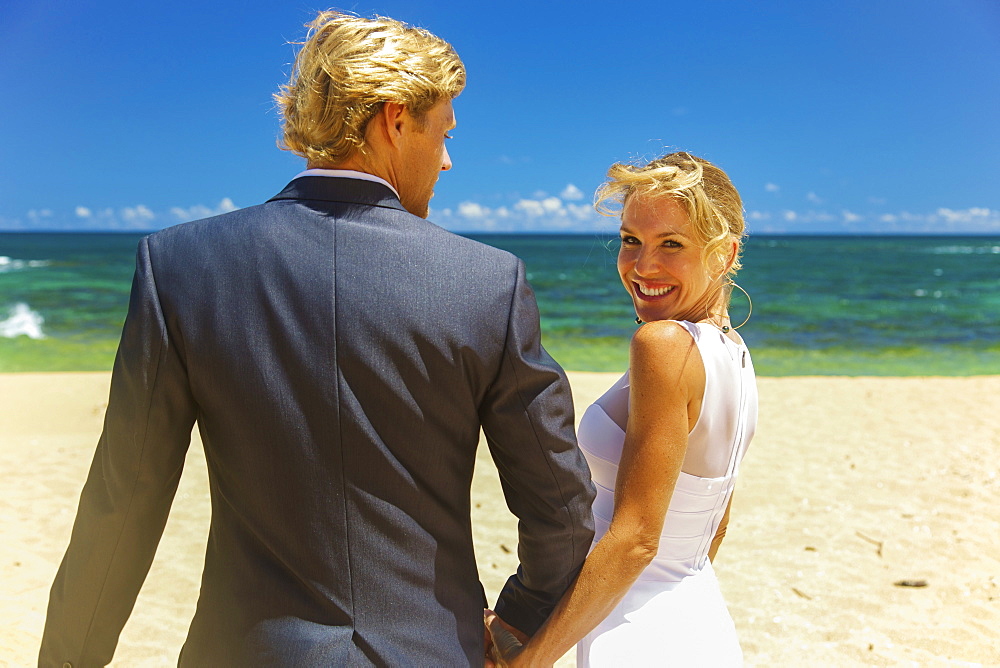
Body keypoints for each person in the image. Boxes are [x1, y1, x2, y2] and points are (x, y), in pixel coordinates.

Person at [39, 11, 595, 667]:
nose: (447, 160)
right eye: (442, 132)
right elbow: (560, 511)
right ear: (393, 119)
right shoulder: (488, 283)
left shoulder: (180, 266)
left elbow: (121, 507)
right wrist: (516, 623)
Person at [486, 152, 757, 666]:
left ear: (723, 254)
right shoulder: (735, 355)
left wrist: (530, 660)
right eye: (631, 240)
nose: (643, 265)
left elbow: (635, 540)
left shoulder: (663, 345)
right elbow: (715, 521)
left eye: (671, 244)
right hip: (697, 619)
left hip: (635, 634)